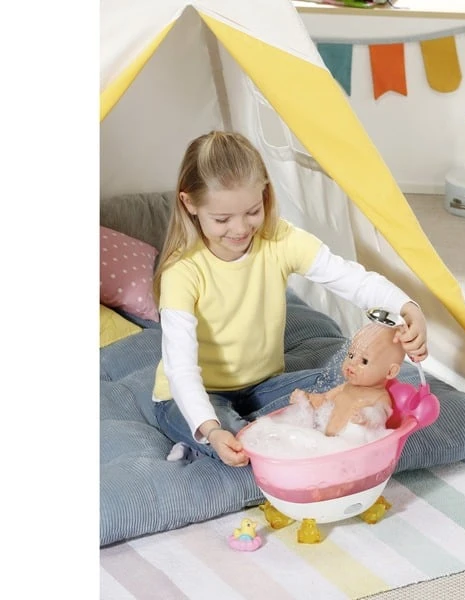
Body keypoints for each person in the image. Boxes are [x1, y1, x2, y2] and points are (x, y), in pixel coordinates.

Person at [151, 130, 428, 467]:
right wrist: (211, 430)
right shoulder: (182, 271)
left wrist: (407, 307)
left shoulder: (280, 239)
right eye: (222, 219)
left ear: (265, 194)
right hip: (192, 396)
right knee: (246, 446)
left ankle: (282, 436)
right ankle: (207, 441)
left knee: (340, 388)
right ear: (189, 204)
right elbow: (181, 369)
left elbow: (351, 279)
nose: (240, 229)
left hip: (263, 385)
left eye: (252, 211)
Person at [289, 322, 405, 444]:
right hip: (324, 440)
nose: (352, 363)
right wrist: (306, 399)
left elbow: (379, 416)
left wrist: (367, 417)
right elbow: (323, 399)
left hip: (352, 446)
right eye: (351, 355)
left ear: (390, 372)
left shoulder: (379, 396)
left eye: (364, 361)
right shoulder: (346, 387)